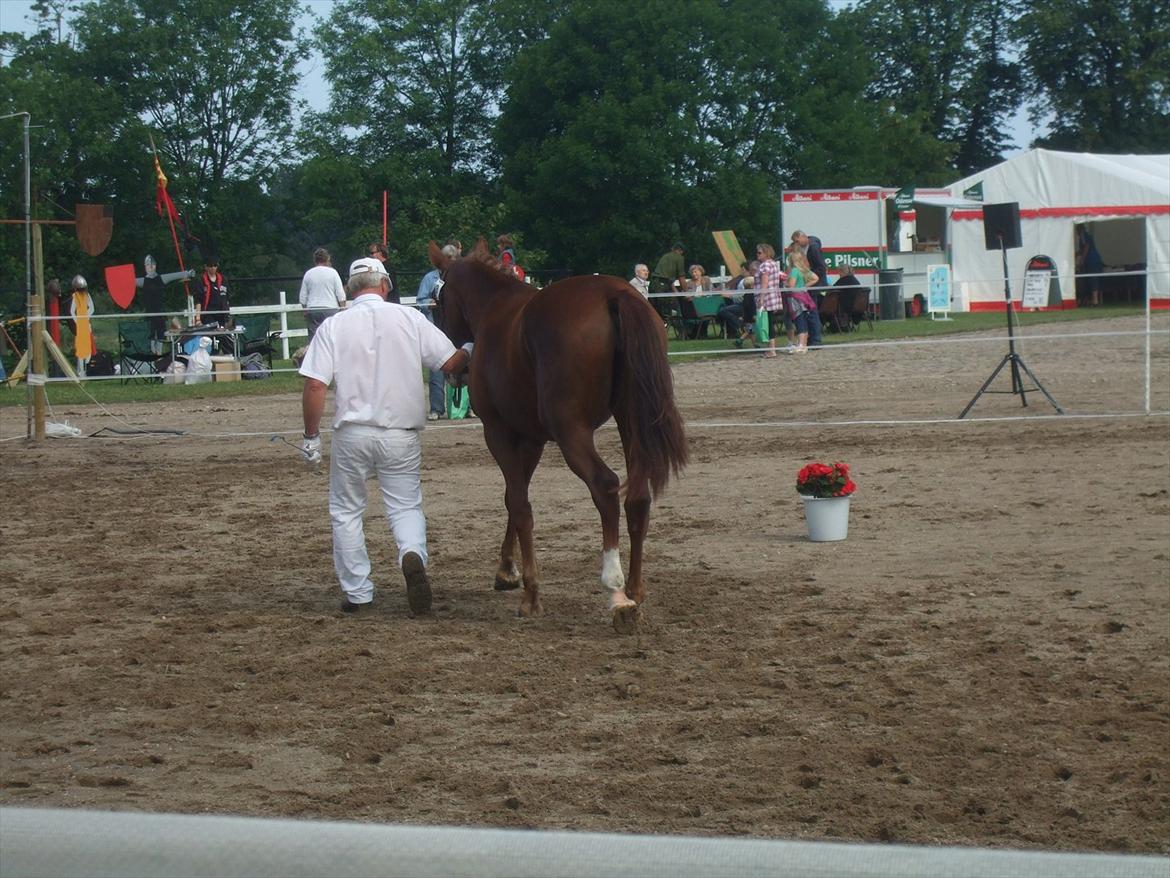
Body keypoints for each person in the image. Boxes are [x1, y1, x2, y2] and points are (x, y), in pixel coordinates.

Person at [299, 257, 473, 615]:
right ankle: (411, 552)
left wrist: (311, 436)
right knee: (405, 506)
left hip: (351, 433)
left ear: (350, 289)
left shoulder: (333, 325)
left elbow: (315, 384)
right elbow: (449, 364)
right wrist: (470, 347)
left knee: (346, 512)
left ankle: (358, 592)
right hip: (400, 433)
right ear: (385, 286)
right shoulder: (410, 318)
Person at [415, 244, 459, 420]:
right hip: (435, 327)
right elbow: (420, 300)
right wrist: (429, 303)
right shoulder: (429, 278)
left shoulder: (458, 277)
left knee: (465, 368)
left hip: (455, 328)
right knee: (437, 369)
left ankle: (466, 408)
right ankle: (437, 408)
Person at [137, 255, 194, 352]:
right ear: (145, 267)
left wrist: (188, 273)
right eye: (148, 265)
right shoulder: (142, 281)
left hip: (160, 312)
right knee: (150, 334)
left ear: (155, 266)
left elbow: (175, 276)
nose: (150, 267)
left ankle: (158, 353)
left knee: (160, 333)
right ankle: (152, 352)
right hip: (149, 312)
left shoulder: (161, 279)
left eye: (152, 265)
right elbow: (127, 282)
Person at [299, 247, 346, 342]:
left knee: (314, 339)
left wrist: (305, 310)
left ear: (315, 260)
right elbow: (340, 294)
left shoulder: (308, 274)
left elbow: (303, 297)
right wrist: (342, 308)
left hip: (313, 309)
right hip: (330, 308)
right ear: (327, 259)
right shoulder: (333, 273)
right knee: (331, 337)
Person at [791, 229, 826, 348]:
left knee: (812, 312)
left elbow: (821, 268)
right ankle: (812, 339)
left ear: (802, 237)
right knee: (810, 312)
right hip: (810, 284)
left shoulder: (813, 248)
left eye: (797, 241)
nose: (796, 243)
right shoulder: (807, 248)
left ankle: (815, 340)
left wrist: (806, 275)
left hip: (813, 286)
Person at [783, 247, 820, 354]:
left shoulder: (794, 271)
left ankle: (801, 344)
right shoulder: (803, 270)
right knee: (803, 320)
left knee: (799, 320)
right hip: (804, 297)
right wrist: (804, 285)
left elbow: (791, 285)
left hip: (795, 299)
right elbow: (815, 278)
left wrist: (785, 283)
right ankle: (803, 344)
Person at [753, 244, 786, 358]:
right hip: (773, 296)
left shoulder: (765, 265)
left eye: (760, 252)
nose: (757, 254)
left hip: (766, 297)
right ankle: (771, 348)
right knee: (769, 322)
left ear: (766, 253)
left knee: (767, 323)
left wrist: (761, 298)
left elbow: (764, 282)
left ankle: (771, 350)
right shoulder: (773, 264)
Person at [650, 242, 686, 320]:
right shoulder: (679, 258)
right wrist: (686, 293)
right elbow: (681, 277)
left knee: (656, 312)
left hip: (653, 284)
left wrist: (676, 291)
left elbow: (667, 279)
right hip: (662, 287)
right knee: (672, 310)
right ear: (680, 251)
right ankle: (682, 331)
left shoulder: (665, 256)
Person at [196, 257, 230, 329]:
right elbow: (198, 301)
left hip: (222, 313)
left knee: (223, 336)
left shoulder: (223, 279)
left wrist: (227, 314)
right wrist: (198, 319)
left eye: (215, 265)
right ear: (206, 267)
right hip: (208, 314)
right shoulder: (201, 280)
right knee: (210, 334)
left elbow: (227, 298)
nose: (213, 268)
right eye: (210, 266)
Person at [1076, 226, 1103, 307]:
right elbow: (1083, 249)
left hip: (1092, 261)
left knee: (1093, 279)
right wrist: (1076, 254)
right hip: (1091, 261)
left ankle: (1095, 301)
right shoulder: (1083, 237)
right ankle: (1090, 300)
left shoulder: (1084, 235)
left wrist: (1082, 259)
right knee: (1088, 280)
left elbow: (1086, 247)